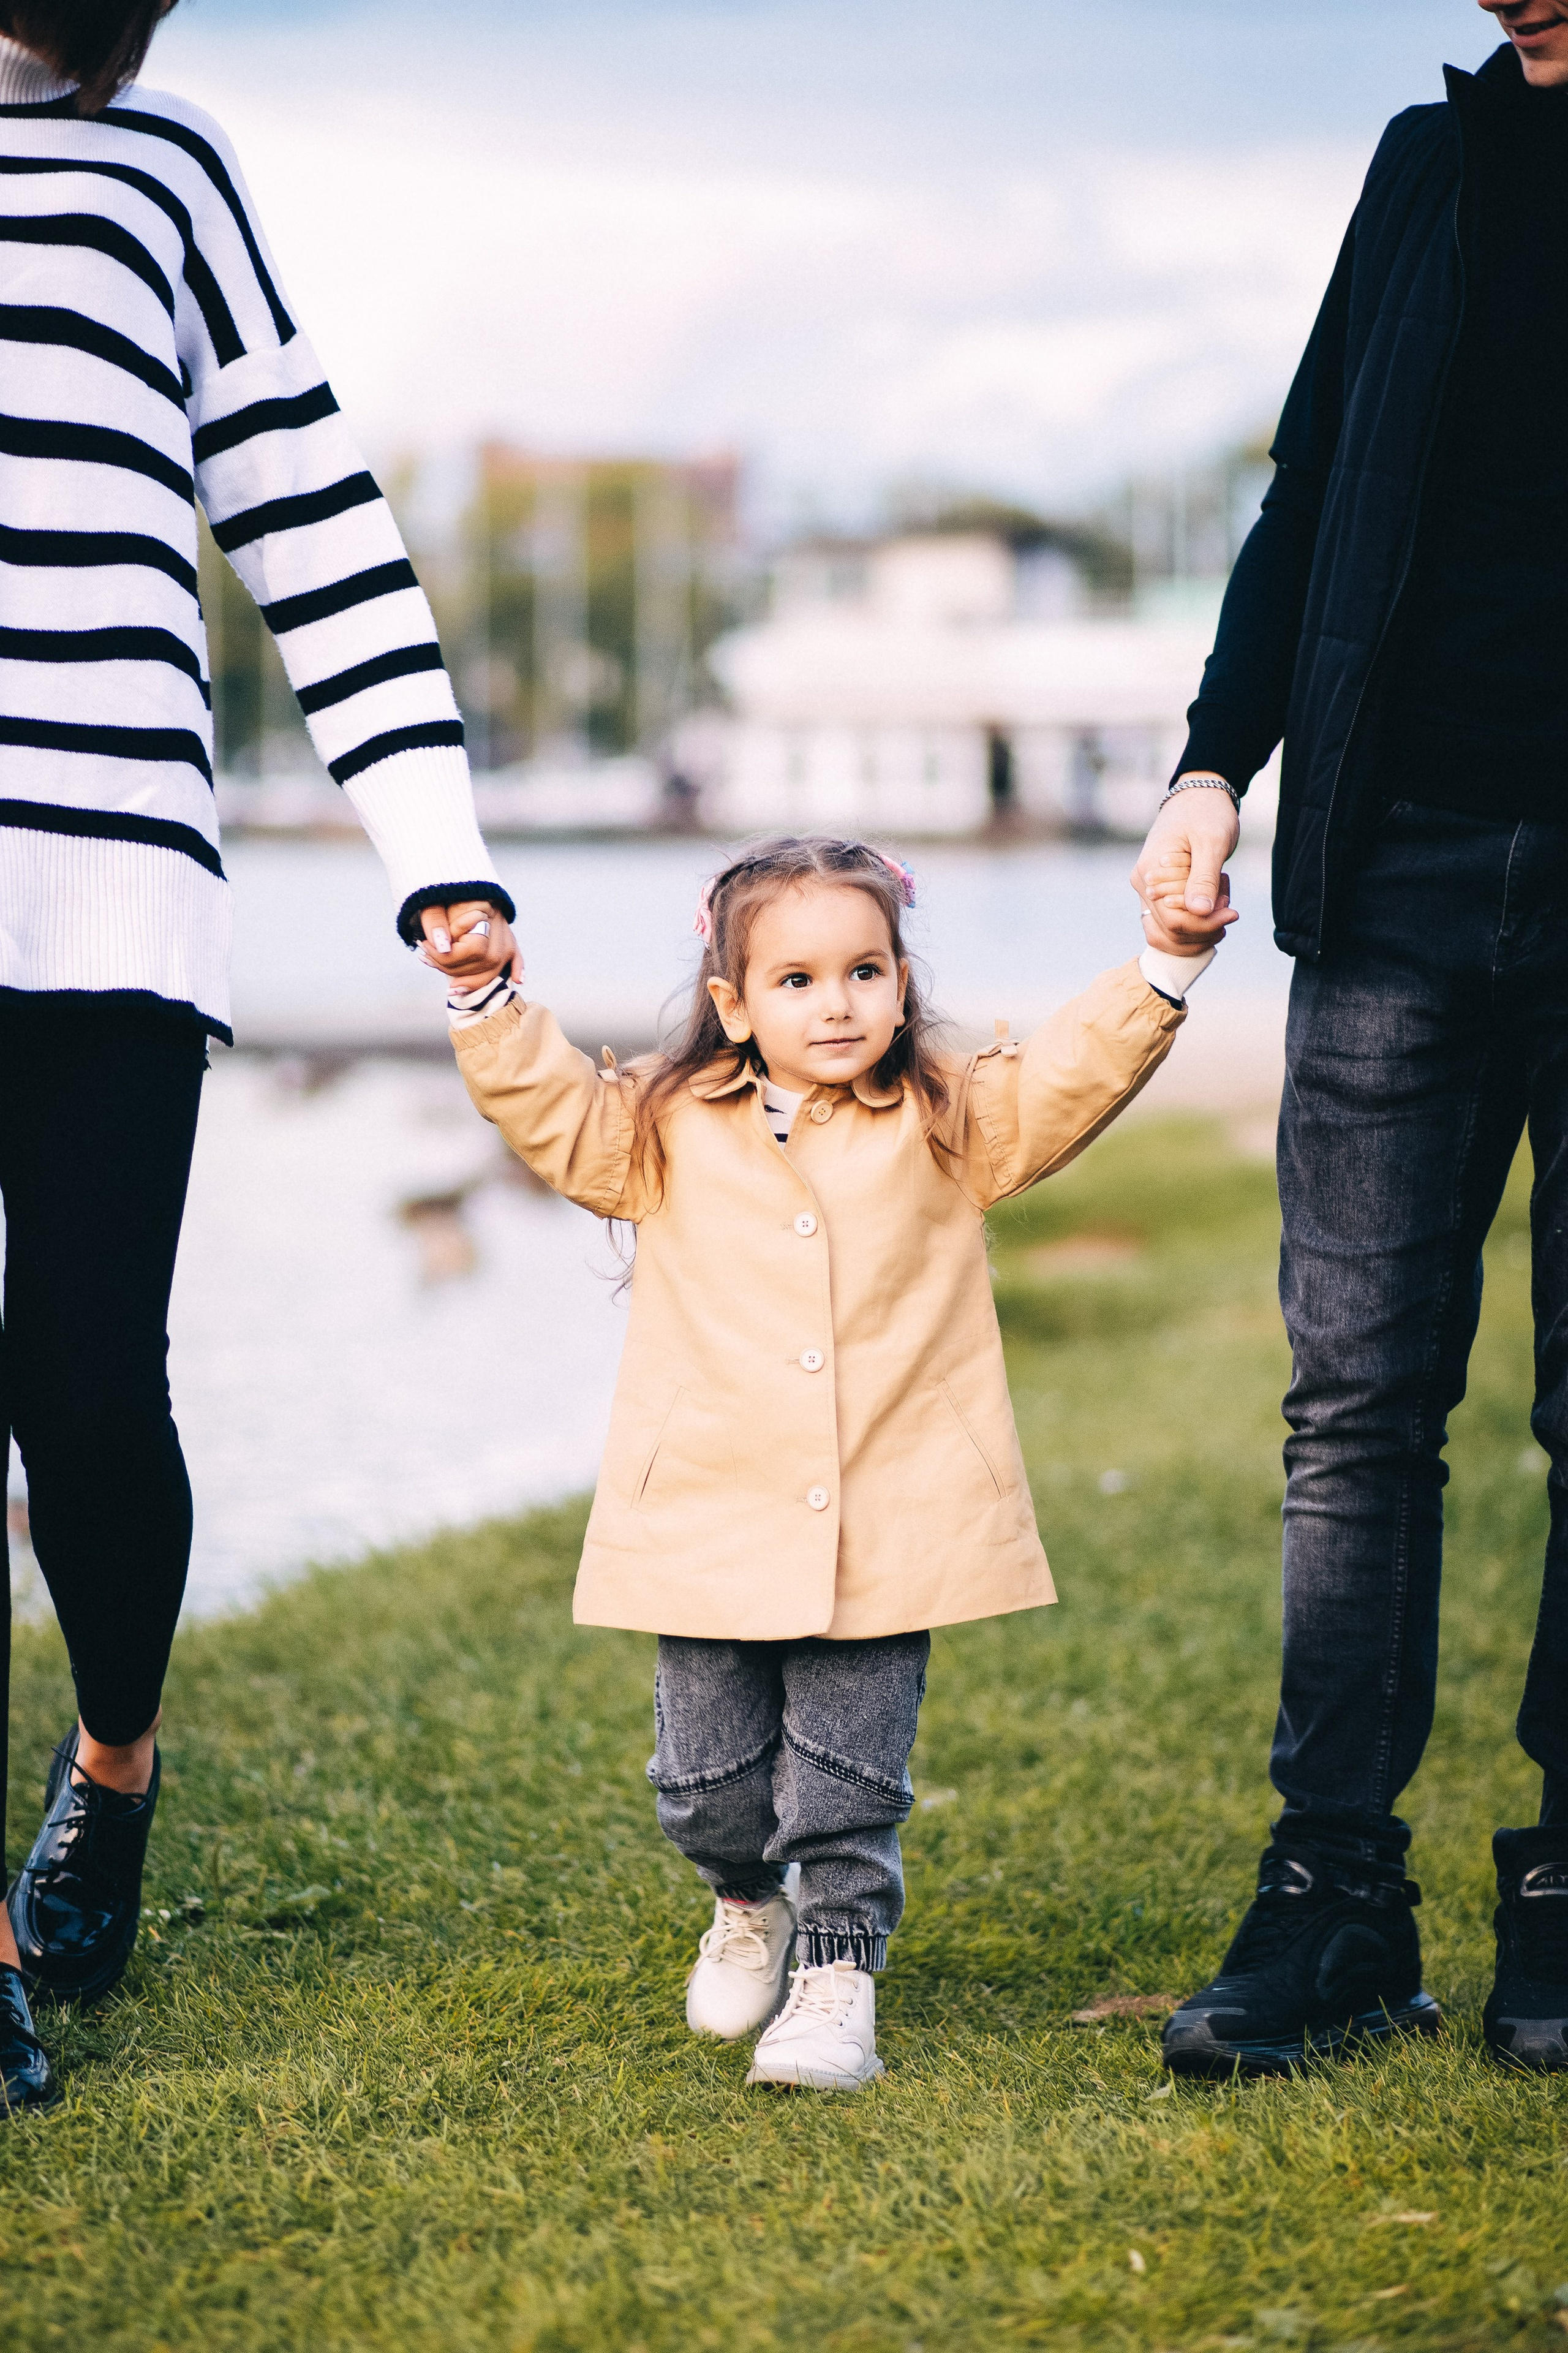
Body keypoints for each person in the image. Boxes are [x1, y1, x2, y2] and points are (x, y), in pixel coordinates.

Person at [0, 0, 518, 2113]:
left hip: (114, 884)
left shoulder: (165, 171)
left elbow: (315, 526)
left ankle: (114, 1754)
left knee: (83, 1394)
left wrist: (442, 858)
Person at [442, 834, 1213, 2089]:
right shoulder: (660, 1124)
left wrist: (1164, 964)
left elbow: (1071, 1073)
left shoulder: (950, 1116)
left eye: (864, 969)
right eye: (796, 979)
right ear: (733, 1005)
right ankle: (745, 1901)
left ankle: (837, 1971)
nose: (837, 1000)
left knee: (845, 1779)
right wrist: (485, 999)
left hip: (890, 1508)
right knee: (703, 1783)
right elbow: (549, 1112)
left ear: (900, 980)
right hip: (705, 1510)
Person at [1131, 0, 1568, 2079]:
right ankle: (1333, 1897)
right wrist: (1218, 758)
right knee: (1358, 1412)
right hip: (1395, 858)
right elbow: (1311, 483)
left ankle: (1567, 1885)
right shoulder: (1427, 167)